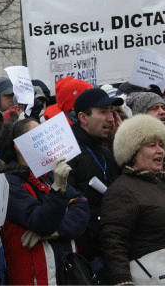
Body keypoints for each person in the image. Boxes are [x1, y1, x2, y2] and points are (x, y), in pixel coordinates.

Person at [0, 118, 90, 285]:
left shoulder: (50, 176)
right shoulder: (9, 183)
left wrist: (57, 230)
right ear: (18, 146)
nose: (46, 139)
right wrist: (58, 190)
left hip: (65, 276)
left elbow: (81, 205)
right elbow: (41, 222)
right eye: (38, 135)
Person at [100, 114, 165, 285]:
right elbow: (113, 242)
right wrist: (123, 281)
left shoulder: (160, 183)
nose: (160, 150)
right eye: (152, 145)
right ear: (133, 152)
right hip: (149, 278)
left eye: (161, 144)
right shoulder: (122, 190)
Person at [67, 87, 123, 268]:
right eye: (103, 112)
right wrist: (89, 257)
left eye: (112, 112)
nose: (111, 118)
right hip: (89, 259)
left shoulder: (106, 153)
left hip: (112, 251)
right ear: (83, 118)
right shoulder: (68, 154)